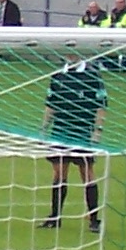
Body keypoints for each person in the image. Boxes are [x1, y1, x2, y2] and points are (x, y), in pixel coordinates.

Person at [41, 55, 106, 232]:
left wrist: (97, 131)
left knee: (87, 173)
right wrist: (44, 128)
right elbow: (51, 103)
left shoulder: (93, 76)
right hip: (60, 131)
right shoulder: (58, 75)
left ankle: (94, 220)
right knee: (59, 173)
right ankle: (55, 217)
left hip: (82, 131)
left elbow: (101, 105)